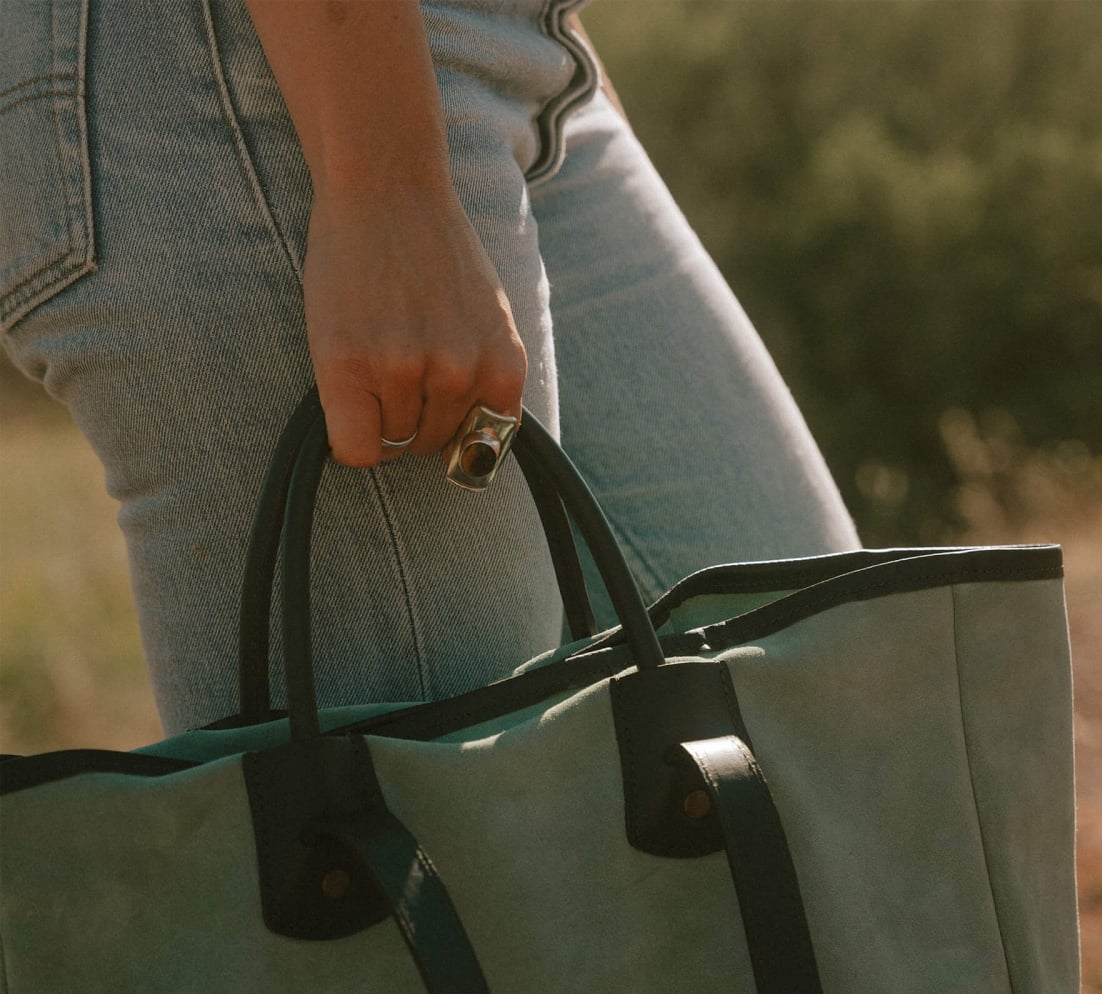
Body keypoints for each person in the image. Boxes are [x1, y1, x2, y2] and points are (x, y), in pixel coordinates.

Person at [0, 0, 860, 736]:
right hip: (267, 60)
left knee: (821, 703)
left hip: (521, 49)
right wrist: (381, 180)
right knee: (454, 833)